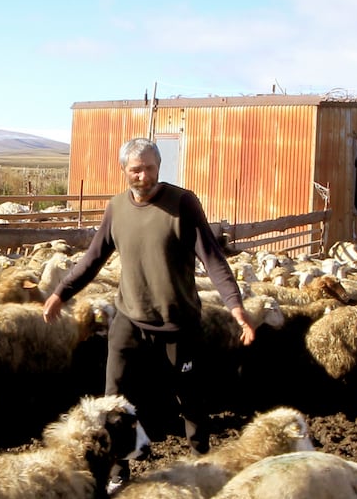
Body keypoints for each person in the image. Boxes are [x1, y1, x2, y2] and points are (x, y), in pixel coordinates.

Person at [42, 137, 255, 479]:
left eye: (150, 168)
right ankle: (116, 470)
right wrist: (61, 292)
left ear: (159, 168)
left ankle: (203, 463)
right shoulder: (116, 208)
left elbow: (212, 257)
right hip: (129, 316)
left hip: (177, 321)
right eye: (136, 169)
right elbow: (94, 258)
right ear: (124, 170)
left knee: (189, 398)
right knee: (113, 397)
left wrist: (235, 305)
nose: (143, 176)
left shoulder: (182, 203)